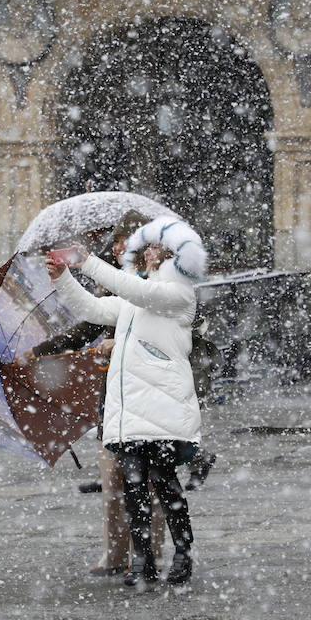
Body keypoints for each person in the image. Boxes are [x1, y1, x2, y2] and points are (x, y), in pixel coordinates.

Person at [46, 215, 207, 588]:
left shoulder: (177, 293)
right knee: (133, 486)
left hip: (164, 407)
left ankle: (182, 552)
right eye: (148, 247)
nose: (147, 253)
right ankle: (142, 558)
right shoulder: (137, 296)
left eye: (155, 247)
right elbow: (94, 310)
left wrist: (86, 261)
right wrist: (63, 279)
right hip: (131, 410)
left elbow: (135, 292)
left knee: (164, 482)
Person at [16, 210, 162, 577]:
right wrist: (39, 352)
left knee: (152, 480)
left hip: (150, 391)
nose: (125, 249)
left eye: (137, 243)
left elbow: (171, 337)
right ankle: (115, 554)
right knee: (113, 476)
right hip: (114, 393)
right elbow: (89, 320)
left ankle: (149, 554)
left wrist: (123, 342)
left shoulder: (160, 286)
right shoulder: (112, 284)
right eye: (121, 242)